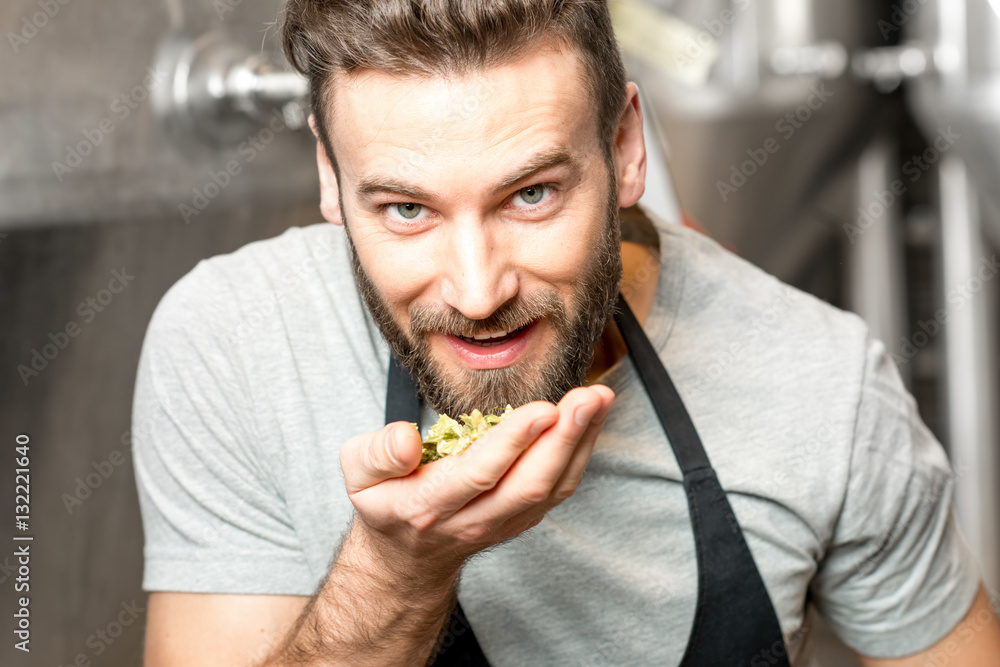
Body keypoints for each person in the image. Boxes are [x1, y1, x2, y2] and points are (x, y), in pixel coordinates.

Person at [133, 1, 1000, 665]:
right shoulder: (235, 342)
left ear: (625, 148)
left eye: (532, 194)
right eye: (406, 209)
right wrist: (397, 573)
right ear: (330, 175)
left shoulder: (822, 384)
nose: (477, 292)